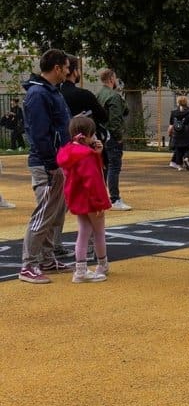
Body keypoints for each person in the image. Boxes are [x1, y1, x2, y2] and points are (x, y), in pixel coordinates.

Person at [18, 49, 72, 284]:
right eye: (67, 67)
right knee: (43, 213)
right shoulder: (39, 94)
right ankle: (28, 265)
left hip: (56, 161)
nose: (69, 71)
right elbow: (38, 133)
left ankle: (47, 258)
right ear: (57, 67)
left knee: (54, 212)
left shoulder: (50, 92)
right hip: (46, 164)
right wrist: (51, 164)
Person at [55, 115, 111, 282]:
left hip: (77, 198)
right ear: (87, 135)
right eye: (93, 135)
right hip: (92, 199)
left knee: (84, 232)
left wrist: (96, 153)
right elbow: (93, 179)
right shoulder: (86, 155)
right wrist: (100, 202)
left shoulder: (69, 151)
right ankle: (102, 264)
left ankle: (80, 268)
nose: (95, 138)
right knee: (99, 232)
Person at [96, 68, 131, 211]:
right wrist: (118, 136)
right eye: (115, 78)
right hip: (111, 135)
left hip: (101, 134)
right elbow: (116, 119)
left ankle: (101, 196)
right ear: (111, 79)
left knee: (103, 167)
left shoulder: (99, 94)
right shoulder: (114, 96)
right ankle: (114, 198)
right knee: (114, 167)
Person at [168, 96, 189, 170]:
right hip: (187, 133)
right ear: (186, 102)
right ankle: (187, 158)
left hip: (177, 133)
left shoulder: (173, 112)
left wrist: (169, 132)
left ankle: (179, 165)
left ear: (178, 102)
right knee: (188, 148)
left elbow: (171, 124)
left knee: (178, 149)